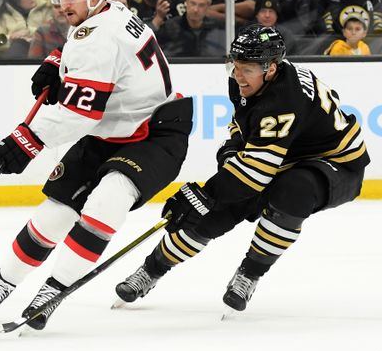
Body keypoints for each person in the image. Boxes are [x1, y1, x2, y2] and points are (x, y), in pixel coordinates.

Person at [0, 0, 192, 330]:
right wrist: (57, 64)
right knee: (56, 210)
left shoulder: (97, 35)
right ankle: (1, 283)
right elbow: (84, 46)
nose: (62, 3)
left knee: (107, 201)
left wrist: (23, 143)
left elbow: (78, 113)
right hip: (112, 130)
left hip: (155, 135)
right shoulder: (110, 10)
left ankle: (53, 290)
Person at [114, 25, 369, 312]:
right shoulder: (245, 81)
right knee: (214, 209)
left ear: (270, 69)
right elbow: (246, 124)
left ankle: (249, 274)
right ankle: (151, 271)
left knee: (291, 192)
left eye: (246, 69)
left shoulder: (285, 98)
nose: (237, 75)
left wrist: (203, 193)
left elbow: (255, 175)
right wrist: (233, 148)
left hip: (336, 164)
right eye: (235, 66)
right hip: (284, 155)